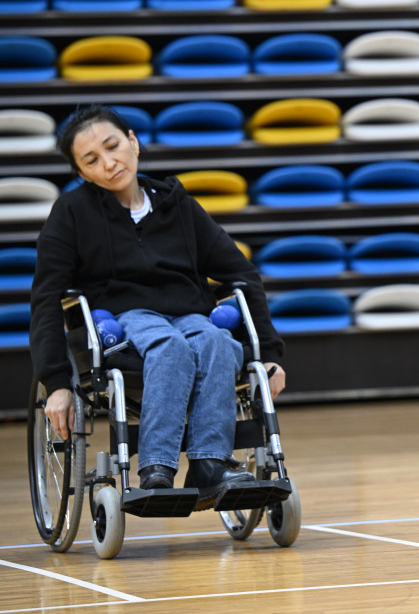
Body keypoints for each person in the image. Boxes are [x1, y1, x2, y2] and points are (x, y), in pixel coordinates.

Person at [30, 105, 287, 506]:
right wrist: (57, 382)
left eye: (113, 146)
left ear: (133, 142)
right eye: (92, 160)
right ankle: (157, 467)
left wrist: (268, 353)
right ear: (81, 174)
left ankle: (209, 463)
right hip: (124, 317)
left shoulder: (177, 203)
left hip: (190, 313)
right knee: (171, 346)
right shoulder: (71, 213)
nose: (109, 163)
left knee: (220, 343)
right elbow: (46, 296)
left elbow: (242, 274)